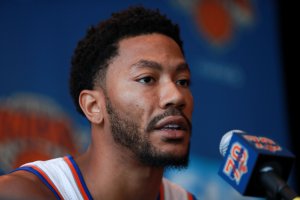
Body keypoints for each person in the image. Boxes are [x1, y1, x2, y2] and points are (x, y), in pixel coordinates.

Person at [0, 5, 196, 200]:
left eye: (182, 81)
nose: (176, 96)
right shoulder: (22, 193)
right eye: (146, 79)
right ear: (93, 107)